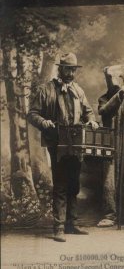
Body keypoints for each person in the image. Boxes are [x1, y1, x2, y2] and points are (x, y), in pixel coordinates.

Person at [28, 52, 99, 242]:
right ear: (60, 69)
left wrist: (91, 121)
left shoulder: (78, 90)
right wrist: (44, 123)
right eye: (68, 69)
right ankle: (58, 227)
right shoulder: (46, 90)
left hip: (76, 142)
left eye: (73, 69)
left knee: (74, 183)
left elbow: (88, 112)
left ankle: (71, 224)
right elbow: (32, 114)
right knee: (60, 183)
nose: (71, 73)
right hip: (56, 142)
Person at [97, 65, 124, 227]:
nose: (115, 82)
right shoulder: (104, 98)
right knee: (109, 178)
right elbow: (103, 112)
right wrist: (117, 97)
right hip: (110, 141)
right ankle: (110, 214)